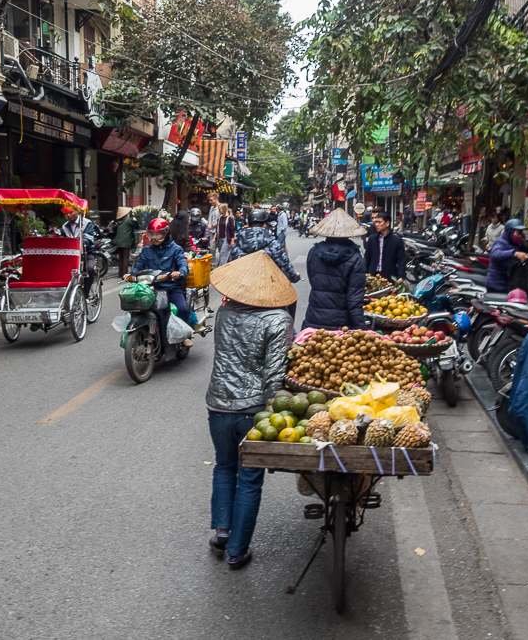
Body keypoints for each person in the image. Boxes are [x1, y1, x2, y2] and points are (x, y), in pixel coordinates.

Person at [205, 251, 295, 569]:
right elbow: (274, 376)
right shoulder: (278, 320)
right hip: (252, 411)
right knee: (249, 478)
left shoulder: (224, 313)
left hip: (217, 404)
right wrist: (275, 411)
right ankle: (237, 551)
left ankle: (222, 533)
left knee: (224, 467)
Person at [123, 217, 193, 348]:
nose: (154, 238)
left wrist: (179, 273)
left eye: (158, 234)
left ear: (166, 233)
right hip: (150, 288)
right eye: (152, 234)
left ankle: (184, 335)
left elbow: (183, 265)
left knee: (182, 309)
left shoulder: (176, 249)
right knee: (135, 307)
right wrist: (131, 274)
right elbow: (139, 266)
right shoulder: (146, 250)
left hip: (171, 288)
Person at [303, 208, 366, 331]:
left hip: (314, 318)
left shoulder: (313, 252)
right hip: (341, 324)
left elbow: (313, 280)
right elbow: (354, 299)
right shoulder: (356, 258)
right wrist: (361, 328)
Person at [230, 209, 300, 283]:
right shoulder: (274, 245)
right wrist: (295, 276)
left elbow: (233, 269)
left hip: (244, 287)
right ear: (264, 225)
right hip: (268, 287)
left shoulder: (237, 246)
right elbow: (286, 268)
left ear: (248, 225)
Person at [60, 205, 97, 296]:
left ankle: (85, 293)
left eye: (71, 212)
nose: (68, 215)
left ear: (78, 212)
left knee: (90, 269)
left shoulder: (86, 223)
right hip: (70, 255)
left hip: (86, 253)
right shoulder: (65, 226)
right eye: (66, 213)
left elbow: (88, 240)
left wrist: (76, 242)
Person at [486, 219, 528, 294]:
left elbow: (525, 254)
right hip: (497, 286)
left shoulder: (515, 243)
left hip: (509, 284)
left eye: (521, 234)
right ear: (510, 232)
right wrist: (515, 253)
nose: (520, 236)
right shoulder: (501, 242)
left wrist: (524, 244)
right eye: (518, 233)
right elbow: (495, 254)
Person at [363, 210, 407, 281]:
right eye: (376, 222)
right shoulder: (372, 239)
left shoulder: (396, 241)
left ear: (387, 223)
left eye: (379, 222)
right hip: (372, 276)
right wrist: (364, 274)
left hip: (389, 277)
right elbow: (367, 258)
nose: (376, 224)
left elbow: (401, 261)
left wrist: (401, 276)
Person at [112, 207, 137, 279]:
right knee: (126, 257)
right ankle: (124, 273)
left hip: (119, 241)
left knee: (121, 258)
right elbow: (136, 225)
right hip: (126, 241)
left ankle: (120, 273)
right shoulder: (128, 220)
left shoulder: (119, 221)